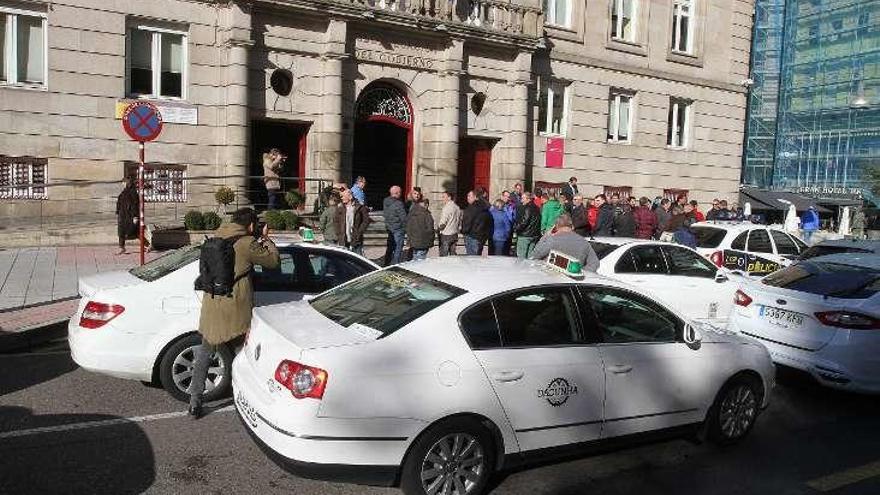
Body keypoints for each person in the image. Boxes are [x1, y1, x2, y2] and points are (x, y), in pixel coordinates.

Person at [190, 208, 280, 418]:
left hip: (212, 303)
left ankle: (195, 400)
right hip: (235, 305)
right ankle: (247, 396)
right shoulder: (247, 243)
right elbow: (273, 261)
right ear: (250, 225)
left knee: (205, 353)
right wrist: (266, 239)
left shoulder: (217, 235)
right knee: (244, 354)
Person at [529, 214, 600, 272]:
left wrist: (545, 237)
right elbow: (595, 263)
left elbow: (534, 256)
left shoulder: (552, 240)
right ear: (572, 227)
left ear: (556, 227)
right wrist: (578, 272)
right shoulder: (584, 242)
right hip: (572, 284)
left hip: (551, 282)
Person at [335, 189, 370, 255]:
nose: (341, 198)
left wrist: (360, 231)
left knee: (358, 259)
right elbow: (336, 221)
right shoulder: (340, 208)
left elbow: (366, 221)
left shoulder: (360, 207)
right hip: (343, 239)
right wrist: (338, 233)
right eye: (341, 196)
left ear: (350, 197)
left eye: (343, 196)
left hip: (356, 238)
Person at [461, 190, 493, 255]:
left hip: (472, 236)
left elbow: (467, 221)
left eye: (469, 196)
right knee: (477, 257)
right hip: (481, 237)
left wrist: (463, 231)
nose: (467, 198)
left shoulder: (472, 207)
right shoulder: (485, 206)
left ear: (475, 197)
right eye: (467, 196)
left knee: (472, 258)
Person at [382, 185, 408, 265]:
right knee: (398, 249)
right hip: (398, 229)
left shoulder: (386, 201)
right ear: (397, 193)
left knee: (390, 248)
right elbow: (404, 218)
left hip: (389, 228)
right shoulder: (399, 203)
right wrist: (405, 228)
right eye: (400, 192)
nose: (401, 194)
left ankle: (386, 264)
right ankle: (395, 265)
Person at [513, 192, 541, 258]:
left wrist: (516, 228)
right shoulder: (537, 208)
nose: (521, 200)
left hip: (525, 235)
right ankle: (527, 268)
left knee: (521, 257)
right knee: (529, 257)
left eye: (523, 198)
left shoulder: (527, 208)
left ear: (528, 199)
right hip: (534, 235)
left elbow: (524, 222)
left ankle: (521, 268)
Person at [115, 178, 139, 255]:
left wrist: (135, 216)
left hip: (129, 215)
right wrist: (118, 211)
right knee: (121, 232)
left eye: (123, 182)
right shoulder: (124, 191)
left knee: (134, 232)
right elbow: (120, 202)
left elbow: (135, 205)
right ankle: (122, 247)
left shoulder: (133, 192)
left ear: (126, 183)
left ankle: (148, 244)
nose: (122, 184)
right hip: (122, 215)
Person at [437, 191, 462, 256]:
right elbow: (459, 221)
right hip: (454, 234)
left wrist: (438, 229)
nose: (442, 199)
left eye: (444, 197)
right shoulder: (457, 207)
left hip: (446, 234)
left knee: (443, 255)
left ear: (449, 197)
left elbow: (443, 223)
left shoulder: (447, 208)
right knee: (452, 254)